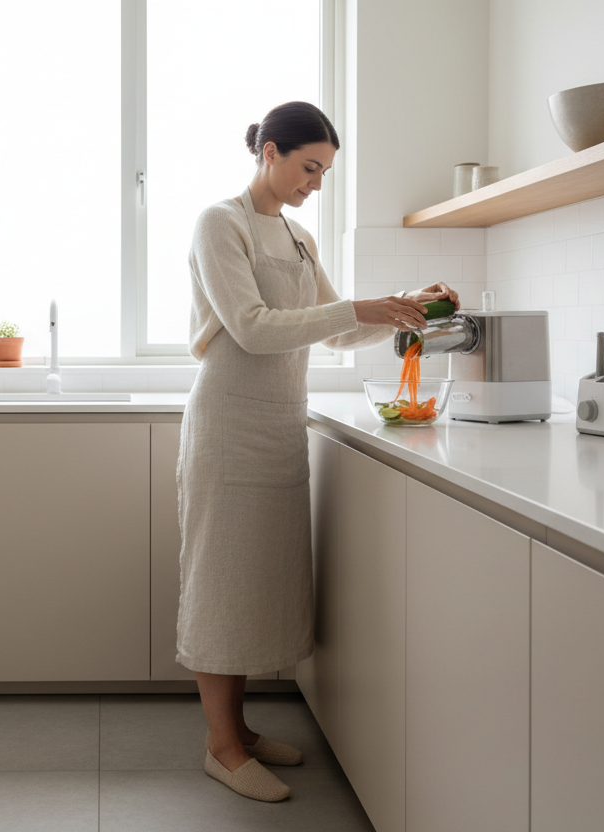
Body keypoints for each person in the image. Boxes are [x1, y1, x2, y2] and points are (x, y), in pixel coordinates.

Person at [177, 101, 459, 802]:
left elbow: (333, 332)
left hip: (278, 424)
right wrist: (365, 306)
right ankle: (219, 746)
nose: (316, 183)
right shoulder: (222, 222)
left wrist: (408, 307)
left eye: (325, 171)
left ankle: (238, 732)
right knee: (222, 583)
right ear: (268, 151)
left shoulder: (298, 238)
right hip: (227, 422)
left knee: (255, 583)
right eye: (309, 167)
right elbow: (250, 328)